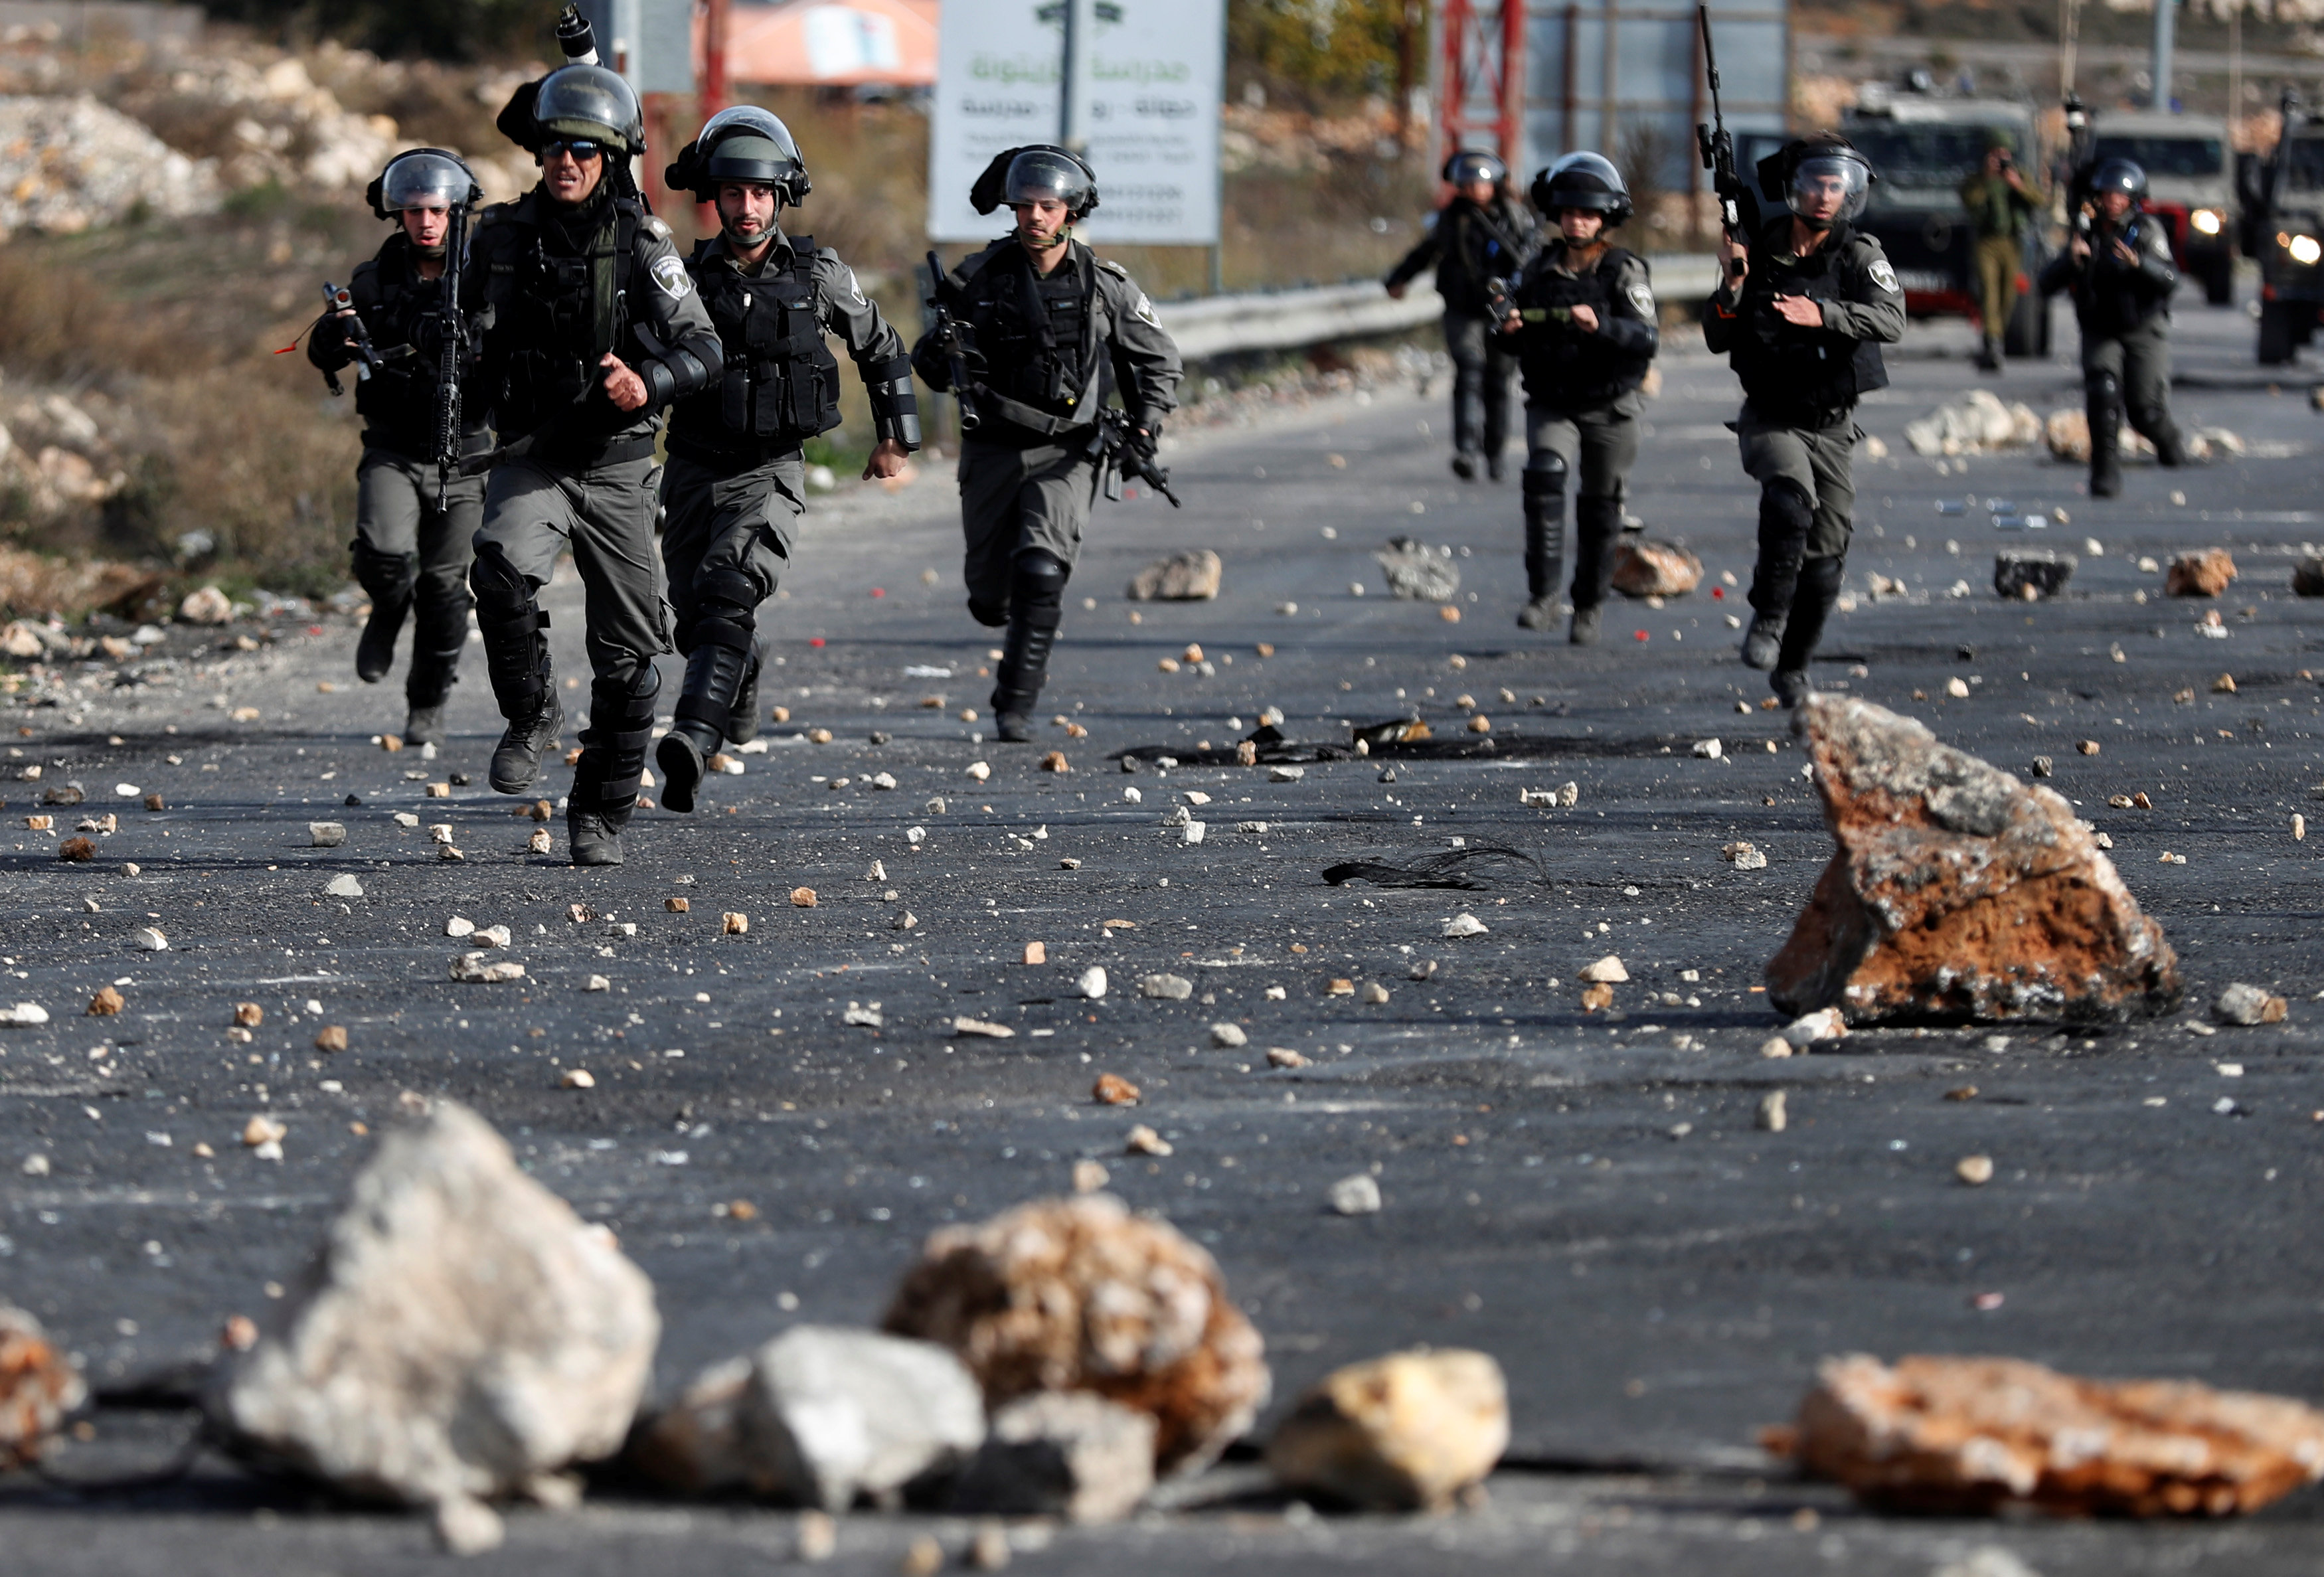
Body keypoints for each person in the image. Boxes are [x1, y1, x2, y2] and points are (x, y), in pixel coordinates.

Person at [461, 62, 724, 865]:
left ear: (608, 158)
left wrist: (647, 381)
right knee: (499, 568)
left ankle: (600, 812)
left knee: (631, 661)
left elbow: (705, 347)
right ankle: (532, 711)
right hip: (534, 456)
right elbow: (462, 342)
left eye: (582, 149)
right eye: (552, 150)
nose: (565, 163)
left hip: (617, 464)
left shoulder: (643, 243)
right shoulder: (499, 240)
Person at [650, 108, 921, 812]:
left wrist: (894, 438)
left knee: (729, 588)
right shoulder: (677, 278)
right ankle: (740, 669)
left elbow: (883, 347)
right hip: (690, 468)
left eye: (761, 193)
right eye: (734, 193)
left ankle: (691, 740)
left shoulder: (817, 274)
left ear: (782, 195)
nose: (747, 208)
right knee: (696, 616)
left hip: (769, 470)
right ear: (714, 196)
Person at [912, 145, 1182, 743]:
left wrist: (1145, 427)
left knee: (1041, 569)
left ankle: (1016, 702)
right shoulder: (977, 278)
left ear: (1072, 211)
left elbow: (1159, 360)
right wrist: (940, 353)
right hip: (992, 446)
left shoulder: (1105, 285)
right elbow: (931, 364)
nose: (1036, 217)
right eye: (1026, 206)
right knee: (989, 597)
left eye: (1049, 206)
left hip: (1070, 449)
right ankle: (1001, 614)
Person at [1703, 133, 1904, 707]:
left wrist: (1825, 314)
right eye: (1814, 183)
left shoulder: (1859, 254)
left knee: (1826, 559)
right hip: (1770, 417)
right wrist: (1734, 284)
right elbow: (1718, 336)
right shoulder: (1759, 251)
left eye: (1835, 186)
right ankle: (1767, 617)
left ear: (1849, 193)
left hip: (1832, 423)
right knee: (1790, 502)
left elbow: (1892, 320)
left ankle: (1793, 666)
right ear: (1795, 188)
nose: (1824, 196)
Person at [308, 149, 489, 748]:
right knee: (382, 556)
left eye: (437, 210)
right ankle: (388, 608)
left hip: (465, 454)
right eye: (414, 211)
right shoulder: (375, 279)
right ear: (398, 215)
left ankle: (427, 700)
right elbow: (329, 351)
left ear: (457, 210)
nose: (427, 222)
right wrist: (334, 338)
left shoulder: (489, 275)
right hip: (393, 444)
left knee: (445, 587)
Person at [1495, 152, 1657, 641]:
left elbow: (1646, 337)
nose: (1578, 222)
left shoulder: (1623, 271)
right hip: (1553, 399)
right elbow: (1506, 334)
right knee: (1544, 477)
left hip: (1611, 404)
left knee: (1601, 505)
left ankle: (1588, 603)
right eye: (1569, 213)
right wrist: (1507, 327)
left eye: (1588, 214)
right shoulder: (1535, 269)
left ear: (1606, 218)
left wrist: (1601, 326)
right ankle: (1543, 596)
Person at [2038, 157, 2187, 499]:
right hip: (2100, 328)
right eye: (2107, 195)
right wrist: (2070, 261)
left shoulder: (2146, 232)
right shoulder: (2085, 233)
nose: (2113, 203)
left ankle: (2169, 442)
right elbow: (2045, 285)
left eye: (2120, 196)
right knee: (2102, 390)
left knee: (2144, 409)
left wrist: (2139, 265)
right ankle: (2104, 474)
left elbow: (2169, 279)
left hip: (2143, 328)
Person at [1384, 150, 1535, 480]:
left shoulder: (1516, 219)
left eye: (1481, 183)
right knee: (1468, 371)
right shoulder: (1451, 220)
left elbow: (1533, 260)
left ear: (1494, 184)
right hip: (1462, 308)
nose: (1475, 190)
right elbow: (1425, 252)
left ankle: (1495, 454)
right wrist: (1399, 278)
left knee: (1498, 380)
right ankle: (1466, 449)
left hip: (1503, 310)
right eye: (1467, 184)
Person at [1958, 135, 2040, 372]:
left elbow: (2039, 200)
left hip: (2012, 242)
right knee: (1990, 291)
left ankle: (1994, 338)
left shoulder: (2018, 176)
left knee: (2007, 294)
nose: (2000, 159)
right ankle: (1993, 342)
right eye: (1995, 154)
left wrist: (2018, 185)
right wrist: (1987, 178)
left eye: (2004, 154)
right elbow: (1969, 201)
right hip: (1986, 242)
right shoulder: (1979, 180)